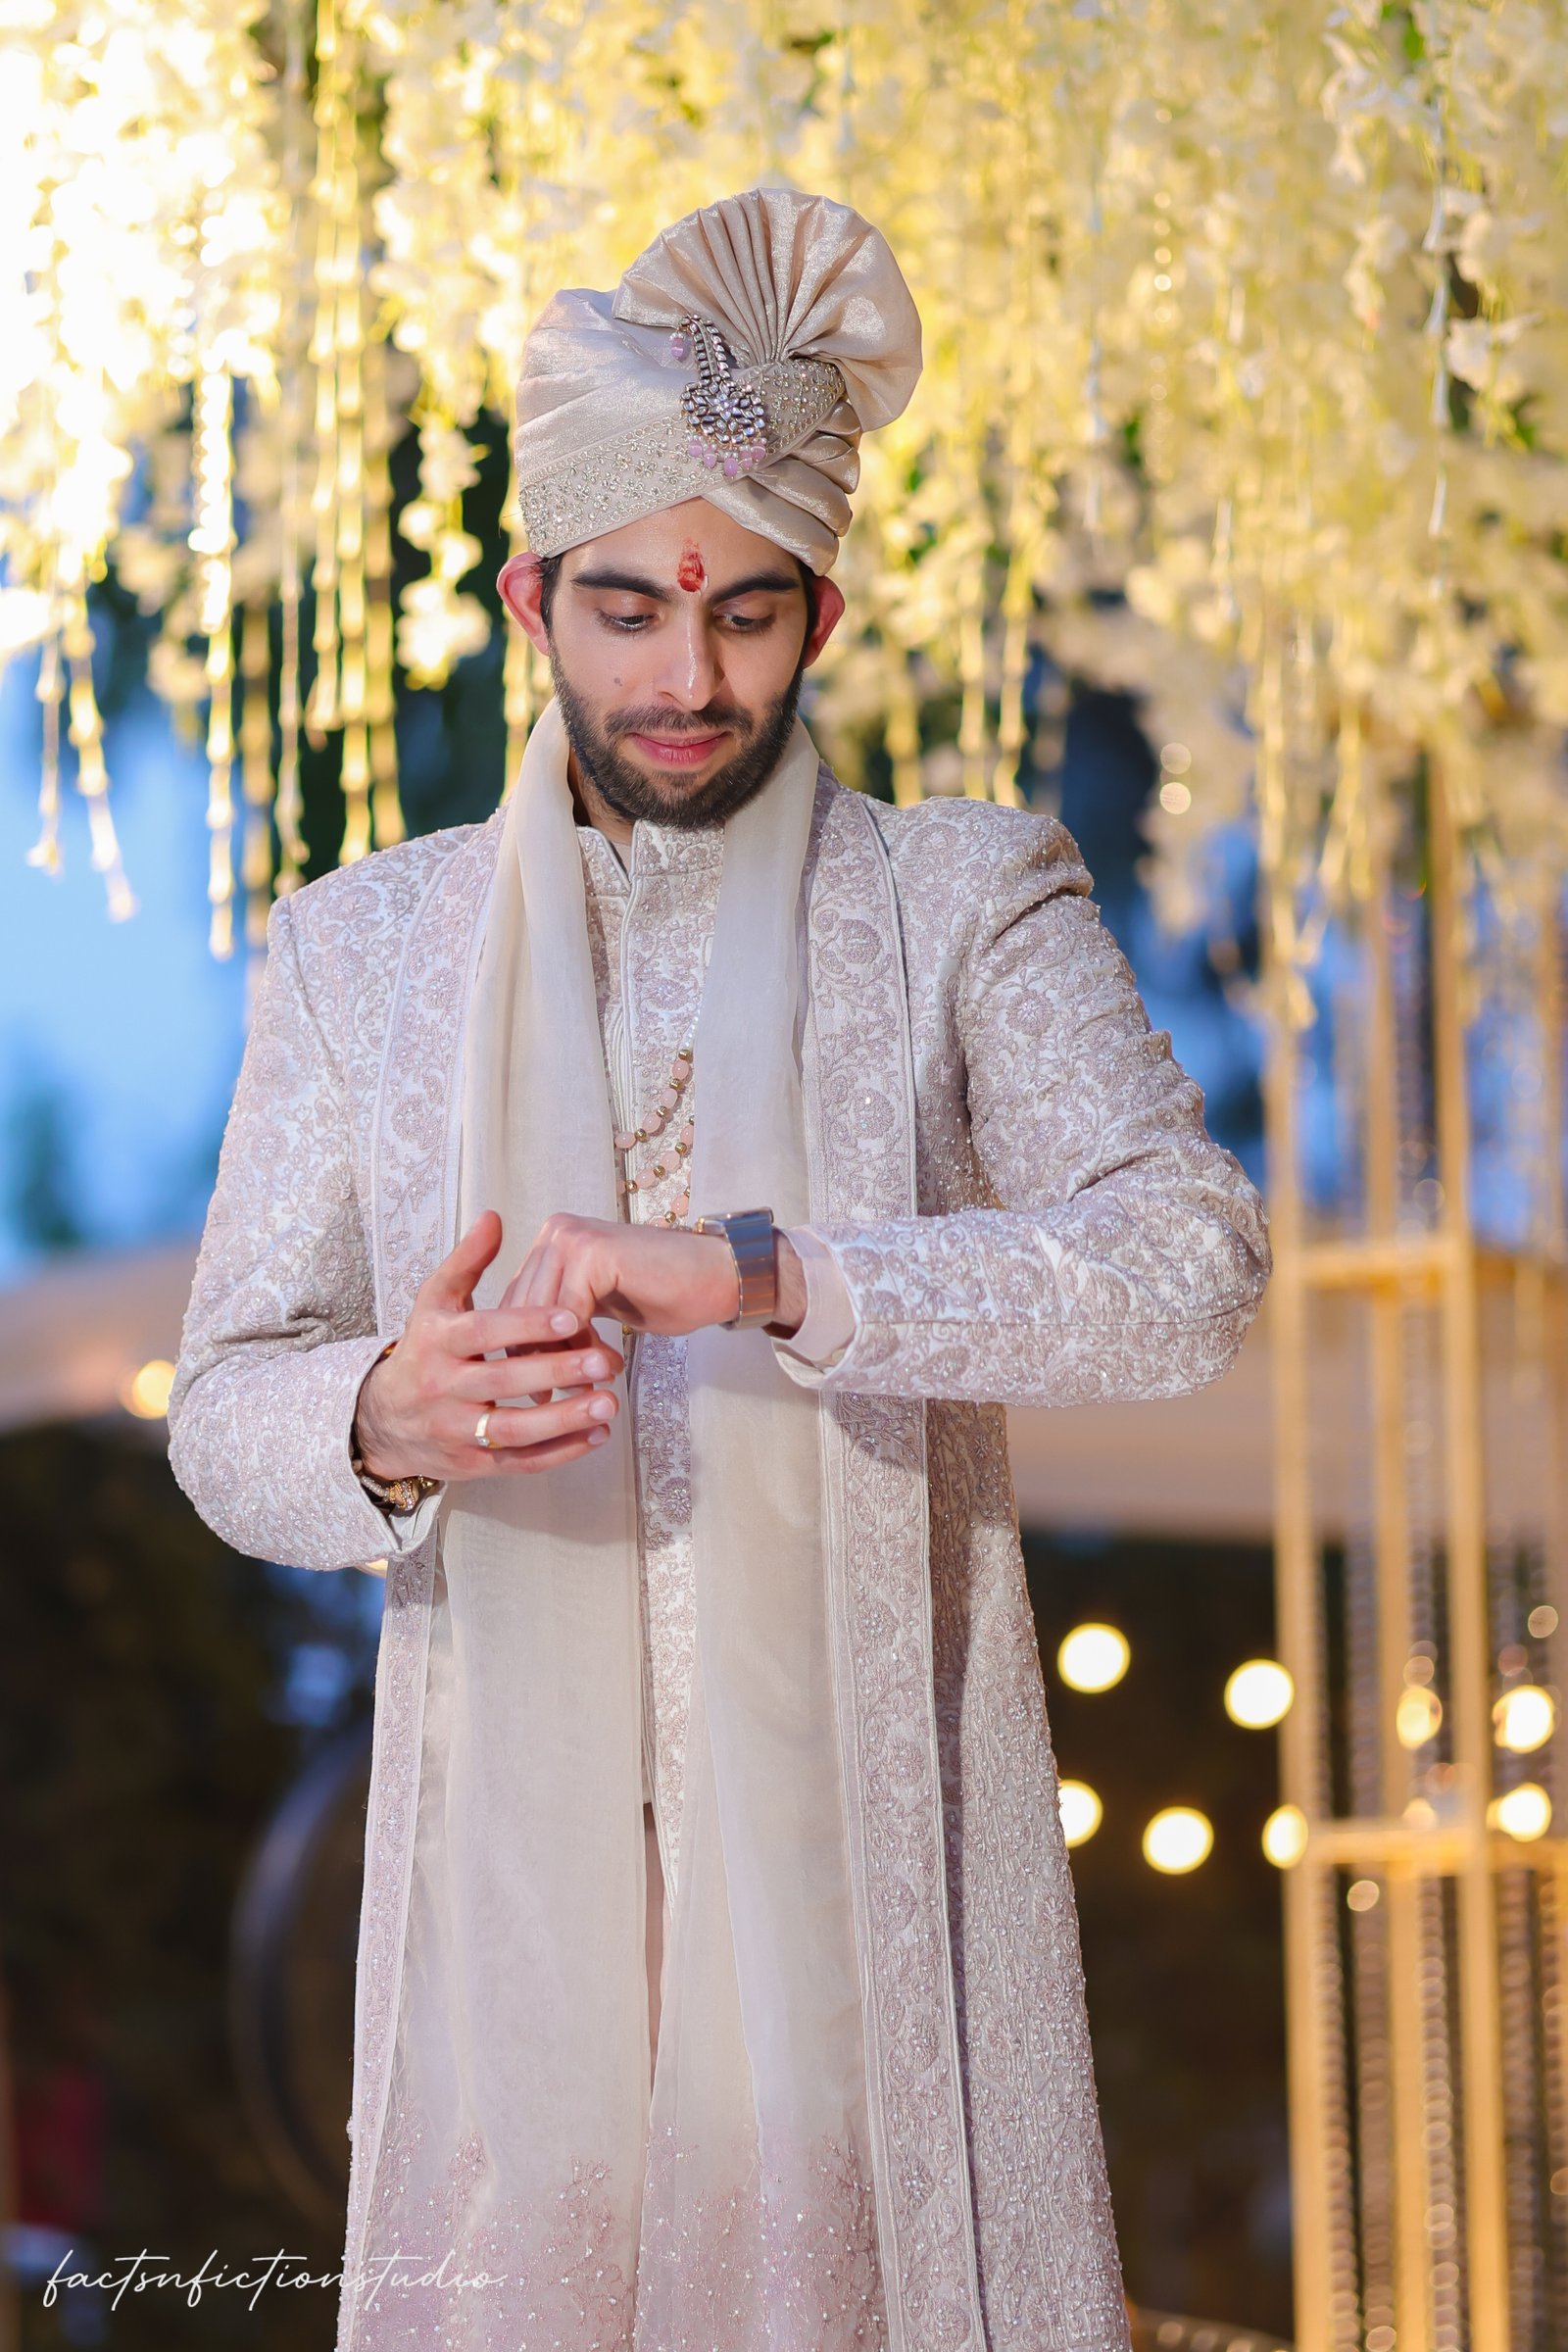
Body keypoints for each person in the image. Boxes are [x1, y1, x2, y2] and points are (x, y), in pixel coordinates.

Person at [169, 185, 1271, 2352]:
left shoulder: (959, 902)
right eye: (627, 613)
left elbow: (1188, 1264)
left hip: (871, 1913)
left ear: (820, 615)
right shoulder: (361, 953)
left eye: (747, 617)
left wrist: (768, 1274)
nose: (686, 680)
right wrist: (382, 1417)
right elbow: (225, 1409)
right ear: (528, 601)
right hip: (513, 1960)